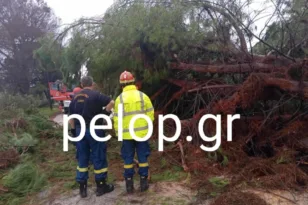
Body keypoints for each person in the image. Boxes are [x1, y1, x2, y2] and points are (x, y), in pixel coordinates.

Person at [69, 76, 115, 198]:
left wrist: (73, 132)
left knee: (82, 158)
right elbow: (112, 102)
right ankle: (101, 186)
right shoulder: (96, 95)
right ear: (92, 84)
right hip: (94, 129)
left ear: (82, 84)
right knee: (98, 156)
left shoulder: (75, 98)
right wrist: (104, 114)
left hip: (80, 130)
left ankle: (82, 189)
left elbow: (71, 119)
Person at [113, 71, 155, 193]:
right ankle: (143, 182)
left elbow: (116, 119)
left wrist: (118, 134)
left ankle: (129, 185)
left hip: (126, 135)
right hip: (141, 134)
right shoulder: (143, 96)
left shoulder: (119, 99)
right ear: (134, 83)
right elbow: (150, 114)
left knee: (128, 159)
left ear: (121, 85)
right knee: (142, 158)